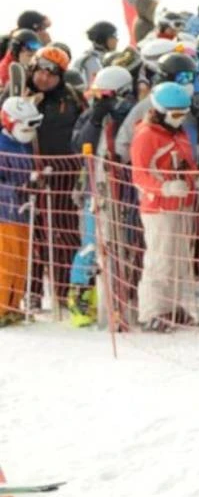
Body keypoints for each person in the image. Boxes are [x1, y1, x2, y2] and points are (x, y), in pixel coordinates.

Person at [129, 82, 197, 332]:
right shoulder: (147, 135)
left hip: (182, 204)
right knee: (160, 259)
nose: (180, 119)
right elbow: (140, 175)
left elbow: (188, 163)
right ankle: (152, 311)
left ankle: (171, 306)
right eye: (175, 115)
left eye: (184, 114)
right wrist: (165, 188)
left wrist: (194, 180)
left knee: (179, 260)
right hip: (159, 208)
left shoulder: (178, 133)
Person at [28, 46, 85, 307]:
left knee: (64, 232)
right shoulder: (18, 93)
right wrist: (25, 106)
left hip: (64, 175)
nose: (44, 77)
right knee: (33, 234)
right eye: (41, 70)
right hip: (28, 174)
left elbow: (83, 129)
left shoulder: (70, 98)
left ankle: (64, 291)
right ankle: (32, 292)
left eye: (52, 74)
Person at [0, 97, 40, 326]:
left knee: (20, 262)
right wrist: (18, 188)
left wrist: (34, 181)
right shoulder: (2, 146)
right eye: (25, 128)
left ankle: (13, 305)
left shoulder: (23, 145)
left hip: (22, 212)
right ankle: (1, 307)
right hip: (4, 214)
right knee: (5, 262)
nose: (29, 134)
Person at [74, 21, 119, 87]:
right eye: (115, 36)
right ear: (104, 38)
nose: (117, 40)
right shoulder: (89, 61)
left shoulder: (110, 59)